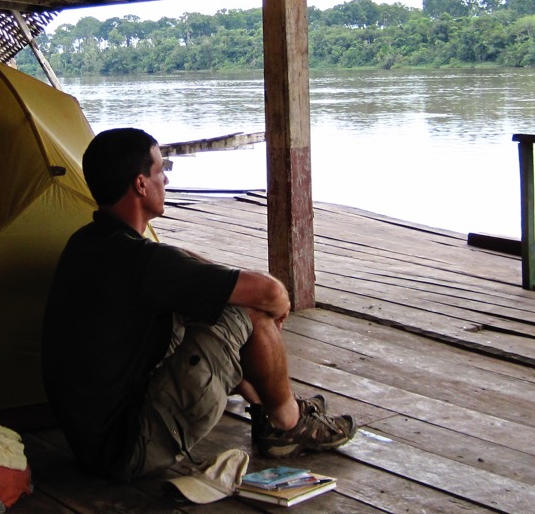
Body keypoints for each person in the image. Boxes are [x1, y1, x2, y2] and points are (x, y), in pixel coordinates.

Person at [41, 127, 355, 482]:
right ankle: (289, 423)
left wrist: (211, 279)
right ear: (141, 184)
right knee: (246, 313)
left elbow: (182, 268)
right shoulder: (141, 262)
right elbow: (270, 293)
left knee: (205, 302)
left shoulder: (88, 243)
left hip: (94, 441)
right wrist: (275, 309)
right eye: (160, 170)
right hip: (131, 448)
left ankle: (264, 409)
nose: (166, 180)